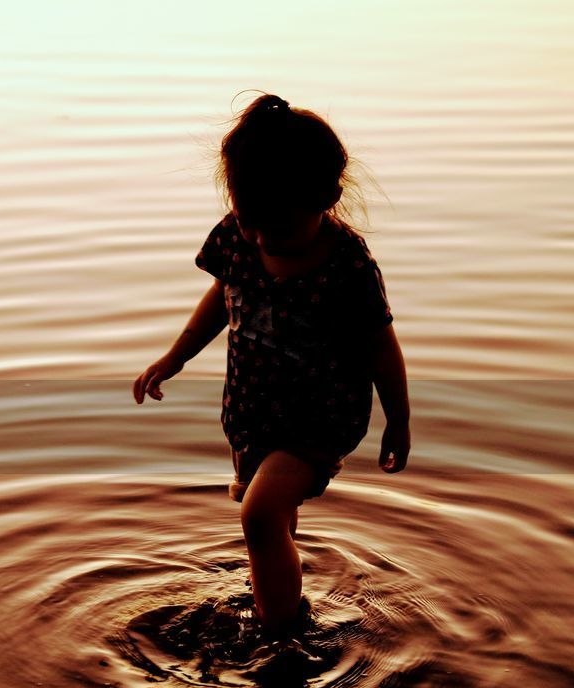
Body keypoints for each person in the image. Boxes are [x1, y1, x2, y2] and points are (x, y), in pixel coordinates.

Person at [132, 92, 411, 636]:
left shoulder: (347, 265)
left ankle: (281, 635)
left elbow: (381, 344)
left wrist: (397, 420)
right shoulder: (238, 237)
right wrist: (175, 356)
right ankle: (281, 592)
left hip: (320, 415)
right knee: (274, 521)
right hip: (253, 407)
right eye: (248, 221)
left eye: (276, 227)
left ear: (324, 198)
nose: (260, 238)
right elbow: (222, 296)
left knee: (258, 517)